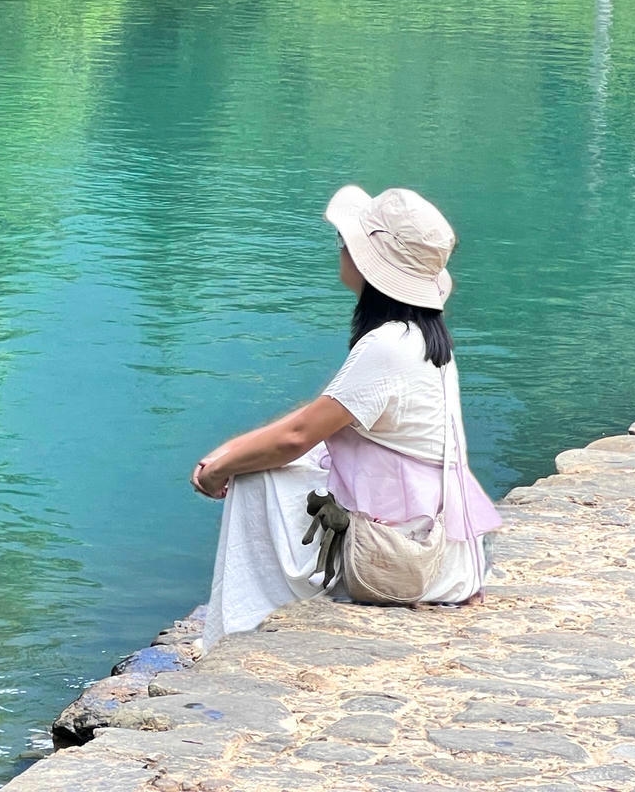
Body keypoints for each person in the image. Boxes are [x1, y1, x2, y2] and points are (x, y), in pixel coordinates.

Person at [189, 185, 503, 649]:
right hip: (441, 552)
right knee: (265, 462)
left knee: (258, 479)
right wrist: (235, 448)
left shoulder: (387, 347)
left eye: (346, 243)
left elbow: (296, 437)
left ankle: (239, 631)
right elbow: (325, 416)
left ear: (366, 263)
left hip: (401, 562)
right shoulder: (423, 339)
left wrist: (220, 468)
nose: (340, 250)